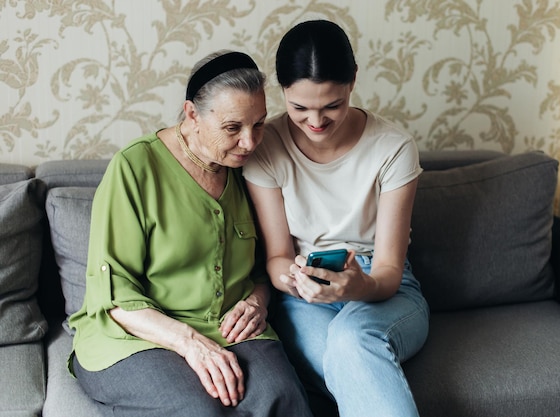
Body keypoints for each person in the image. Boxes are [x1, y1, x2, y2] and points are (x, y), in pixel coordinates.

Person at [68, 50, 313, 417]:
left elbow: (261, 269)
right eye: (233, 128)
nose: (250, 142)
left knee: (283, 398)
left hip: (230, 327)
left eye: (259, 124)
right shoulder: (134, 168)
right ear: (192, 115)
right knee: (196, 410)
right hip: (137, 334)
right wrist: (191, 343)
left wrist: (257, 302)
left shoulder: (253, 170)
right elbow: (115, 294)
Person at [242, 20, 430, 417]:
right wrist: (293, 279)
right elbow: (277, 257)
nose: (316, 122)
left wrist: (354, 286)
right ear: (282, 92)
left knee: (350, 340)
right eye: (299, 108)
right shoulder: (267, 148)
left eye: (332, 106)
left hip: (383, 289)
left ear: (353, 82)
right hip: (303, 294)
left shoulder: (393, 148)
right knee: (345, 357)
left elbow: (390, 271)